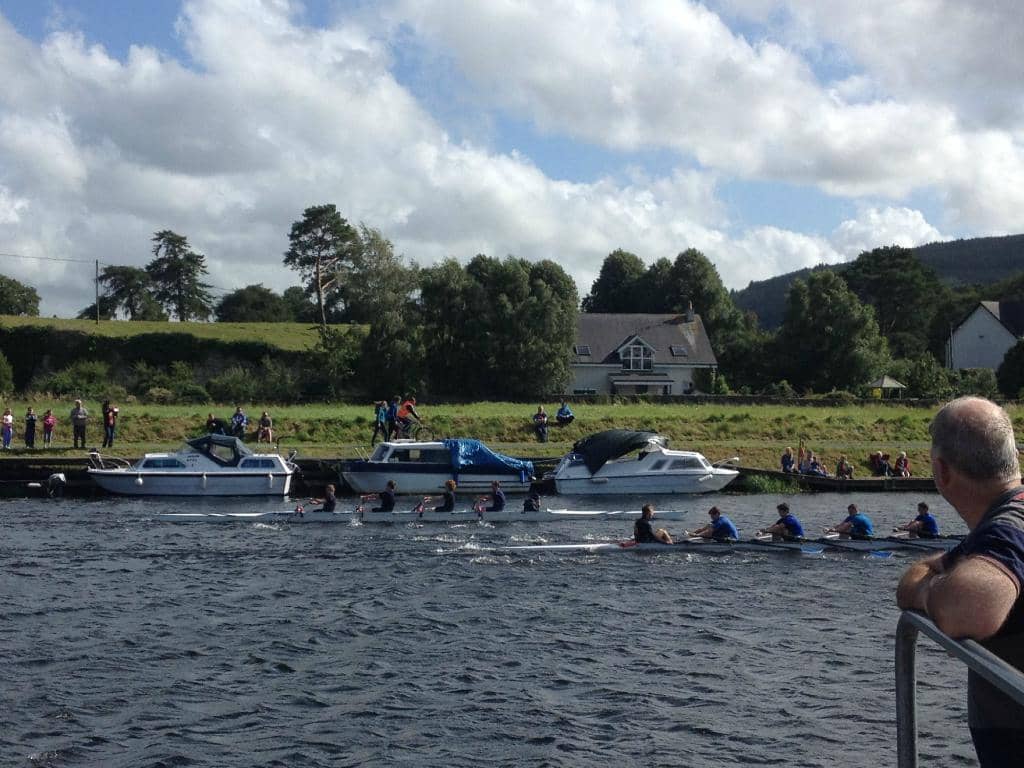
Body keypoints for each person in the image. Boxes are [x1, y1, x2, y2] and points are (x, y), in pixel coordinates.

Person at [896, 397, 1024, 764]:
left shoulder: (1009, 529)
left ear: (941, 470)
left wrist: (927, 586)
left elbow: (968, 608)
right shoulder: (1000, 528)